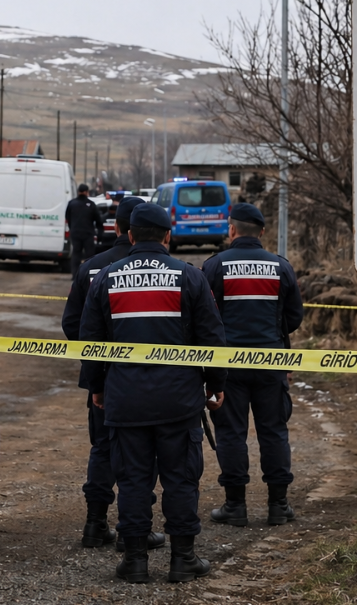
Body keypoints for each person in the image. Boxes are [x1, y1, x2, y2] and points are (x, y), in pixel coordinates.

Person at [81, 203, 226, 584]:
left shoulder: (106, 278)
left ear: (129, 235)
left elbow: (90, 341)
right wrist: (216, 384)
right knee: (181, 478)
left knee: (132, 480)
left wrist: (97, 387)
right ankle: (183, 559)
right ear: (168, 236)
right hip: (179, 401)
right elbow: (212, 337)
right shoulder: (190, 276)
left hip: (125, 400)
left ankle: (135, 562)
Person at [61, 197, 165, 554]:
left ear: (119, 227)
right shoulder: (165, 269)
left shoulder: (92, 267)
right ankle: (136, 530)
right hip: (152, 379)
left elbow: (72, 324)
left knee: (103, 449)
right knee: (144, 455)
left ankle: (95, 524)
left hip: (104, 379)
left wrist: (96, 364)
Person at [201, 203, 304, 528]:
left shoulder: (215, 266)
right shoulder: (280, 266)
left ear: (232, 230)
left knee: (231, 432)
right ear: (262, 232)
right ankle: (278, 506)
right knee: (273, 431)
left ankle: (235, 506)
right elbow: (294, 317)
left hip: (227, 365)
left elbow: (204, 318)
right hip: (271, 362)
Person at [65, 183, 103, 279]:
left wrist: (72, 228)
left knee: (76, 254)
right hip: (88, 233)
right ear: (86, 192)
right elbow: (98, 220)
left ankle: (75, 275)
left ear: (78, 192)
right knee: (89, 255)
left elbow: (67, 218)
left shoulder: (72, 203)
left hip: (75, 233)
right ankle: (88, 275)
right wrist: (99, 234)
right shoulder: (91, 204)